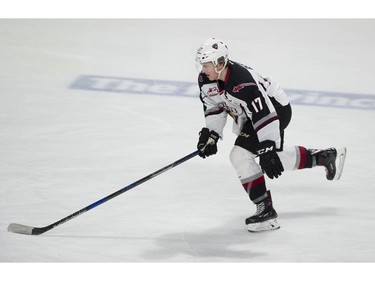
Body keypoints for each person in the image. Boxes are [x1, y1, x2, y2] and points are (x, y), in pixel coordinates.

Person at [195, 37, 347, 232]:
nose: (203, 70)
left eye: (206, 65)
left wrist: (267, 145)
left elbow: (263, 113)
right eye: (202, 65)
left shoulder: (241, 82)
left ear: (220, 63)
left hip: (275, 109)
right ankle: (322, 157)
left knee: (241, 155)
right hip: (252, 115)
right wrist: (212, 134)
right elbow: (214, 106)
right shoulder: (205, 80)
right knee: (272, 159)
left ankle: (266, 212)